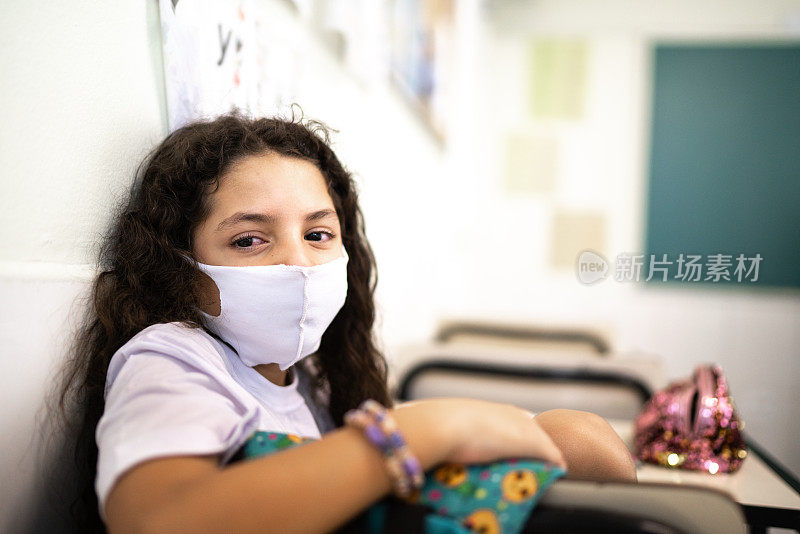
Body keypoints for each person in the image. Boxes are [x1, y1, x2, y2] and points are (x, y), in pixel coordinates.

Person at [56, 112, 636, 534]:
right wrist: (435, 429)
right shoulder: (173, 358)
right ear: (179, 270)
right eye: (250, 239)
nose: (299, 263)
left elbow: (598, 453)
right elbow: (156, 519)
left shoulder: (315, 379)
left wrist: (554, 435)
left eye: (318, 234)